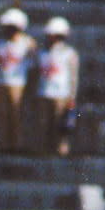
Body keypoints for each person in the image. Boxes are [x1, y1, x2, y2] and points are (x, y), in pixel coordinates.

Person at [0, 9, 35, 155]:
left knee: (17, 115)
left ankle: (18, 144)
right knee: (2, 115)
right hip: (2, 82)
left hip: (18, 83)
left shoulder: (27, 43)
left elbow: (32, 65)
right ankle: (4, 144)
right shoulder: (1, 43)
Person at [35, 18, 79, 157]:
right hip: (44, 92)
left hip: (61, 94)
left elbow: (73, 77)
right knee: (44, 124)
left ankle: (60, 149)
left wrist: (72, 96)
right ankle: (45, 149)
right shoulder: (42, 52)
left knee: (59, 124)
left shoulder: (69, 53)